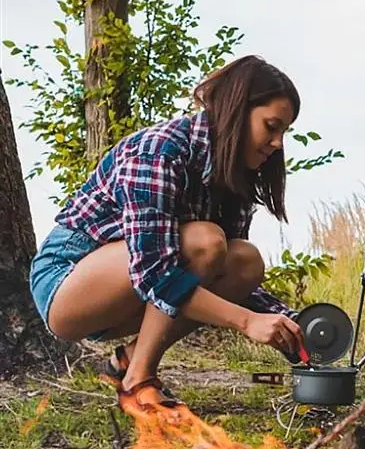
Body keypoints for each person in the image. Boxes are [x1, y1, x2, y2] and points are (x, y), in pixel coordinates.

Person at [29, 55, 306, 415]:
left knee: (244, 261)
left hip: (133, 287)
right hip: (67, 285)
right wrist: (247, 322)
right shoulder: (159, 151)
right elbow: (156, 274)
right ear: (237, 110)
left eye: (284, 131)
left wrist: (292, 324)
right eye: (271, 126)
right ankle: (139, 382)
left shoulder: (229, 175)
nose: (278, 143)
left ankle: (128, 364)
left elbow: (221, 278)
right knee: (206, 242)